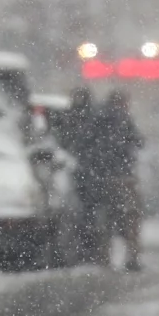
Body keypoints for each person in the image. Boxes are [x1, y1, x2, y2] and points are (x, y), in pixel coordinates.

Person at [91, 91, 146, 272]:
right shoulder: (124, 119)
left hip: (103, 178)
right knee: (131, 217)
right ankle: (132, 257)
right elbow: (139, 142)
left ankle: (103, 257)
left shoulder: (98, 119)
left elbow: (90, 145)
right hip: (124, 177)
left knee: (106, 219)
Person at [55, 88, 107, 264]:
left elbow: (65, 140)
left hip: (84, 174)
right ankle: (89, 249)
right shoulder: (94, 118)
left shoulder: (75, 117)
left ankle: (86, 248)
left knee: (84, 214)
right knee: (88, 214)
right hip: (88, 174)